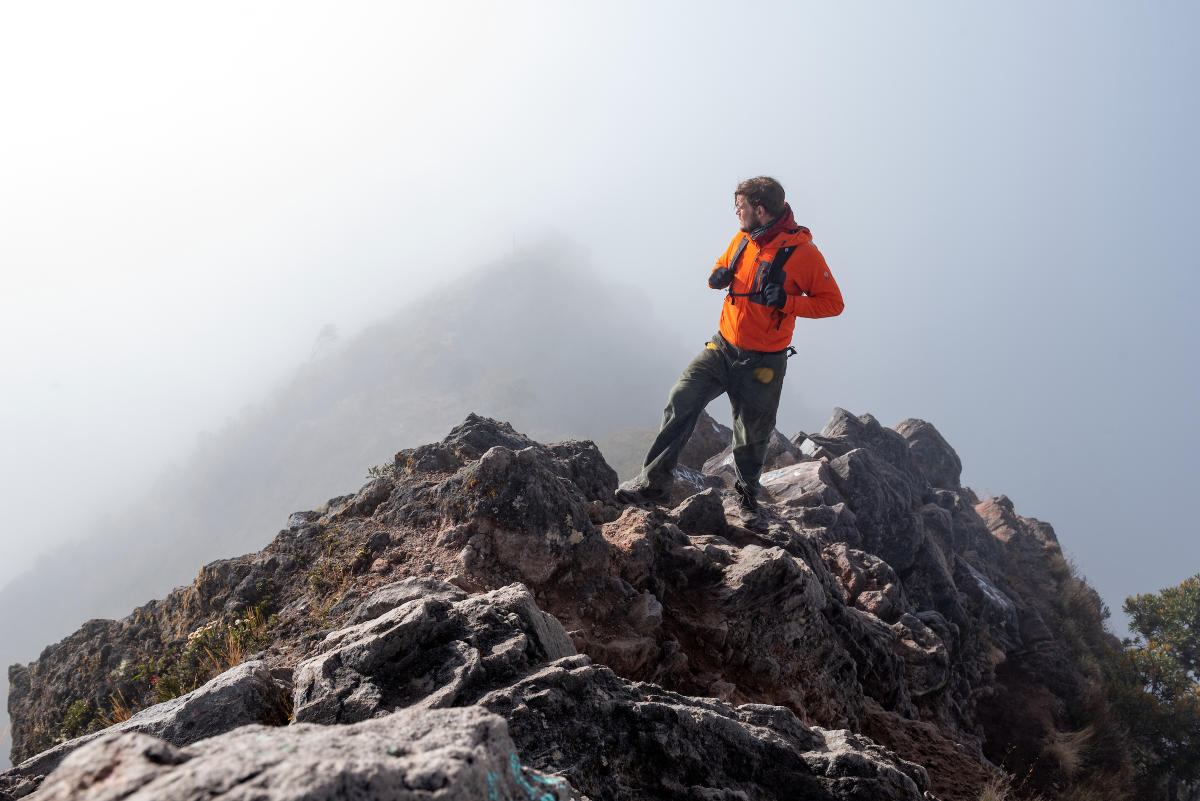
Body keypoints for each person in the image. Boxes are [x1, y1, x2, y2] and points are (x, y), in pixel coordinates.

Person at [615, 176, 844, 523]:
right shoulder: (743, 239)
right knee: (681, 400)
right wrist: (716, 277)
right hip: (722, 347)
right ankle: (654, 486)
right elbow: (720, 267)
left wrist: (788, 301)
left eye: (740, 206)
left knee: (752, 433)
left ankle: (747, 500)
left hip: (764, 361)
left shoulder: (803, 253)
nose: (736, 212)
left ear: (760, 210)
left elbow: (833, 303)